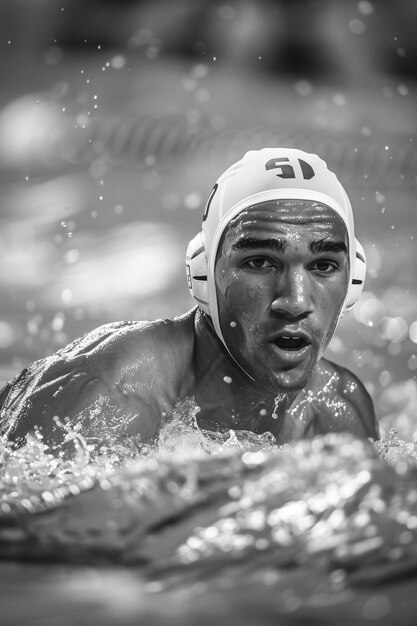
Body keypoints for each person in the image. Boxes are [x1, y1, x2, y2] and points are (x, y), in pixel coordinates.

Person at [0, 148, 379, 452]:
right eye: (260, 262)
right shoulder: (104, 402)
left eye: (324, 265)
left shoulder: (337, 411)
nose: (295, 301)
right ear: (203, 275)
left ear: (354, 280)